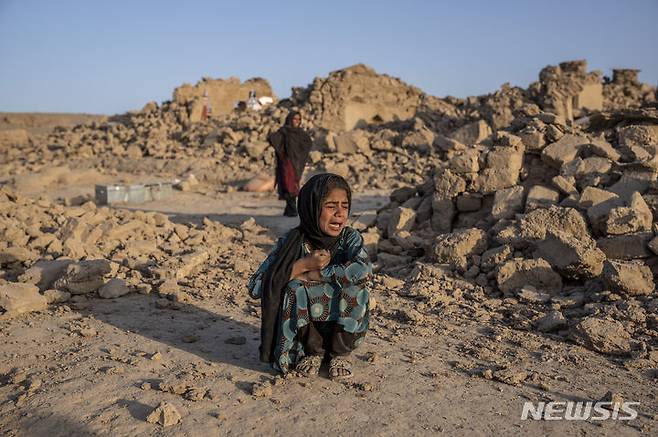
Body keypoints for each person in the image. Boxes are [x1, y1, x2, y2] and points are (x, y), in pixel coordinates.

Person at [248, 173, 372, 379]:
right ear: (312, 207)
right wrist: (301, 266)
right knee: (294, 288)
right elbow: (256, 286)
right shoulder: (292, 242)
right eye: (331, 205)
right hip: (303, 334)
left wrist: (318, 273)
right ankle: (314, 352)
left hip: (343, 327)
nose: (340, 213)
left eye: (345, 205)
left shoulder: (350, 238)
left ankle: (340, 353)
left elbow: (364, 271)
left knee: (354, 286)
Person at [267, 111, 313, 217]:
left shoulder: (301, 134)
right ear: (289, 119)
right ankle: (292, 209)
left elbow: (308, 143)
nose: (297, 121)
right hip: (287, 162)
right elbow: (274, 140)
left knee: (293, 185)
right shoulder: (284, 131)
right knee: (288, 185)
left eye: (299, 119)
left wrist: (300, 154)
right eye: (295, 119)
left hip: (297, 164)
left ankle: (289, 209)